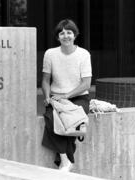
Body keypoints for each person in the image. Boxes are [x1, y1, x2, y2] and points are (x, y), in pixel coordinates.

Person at [41, 19, 92, 171]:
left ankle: (65, 161)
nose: (66, 36)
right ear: (58, 37)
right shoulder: (50, 54)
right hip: (57, 98)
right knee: (51, 118)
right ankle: (65, 159)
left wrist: (67, 96)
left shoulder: (83, 54)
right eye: (61, 33)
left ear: (75, 35)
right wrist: (47, 96)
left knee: (70, 119)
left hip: (78, 97)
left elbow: (86, 84)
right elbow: (45, 80)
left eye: (69, 32)